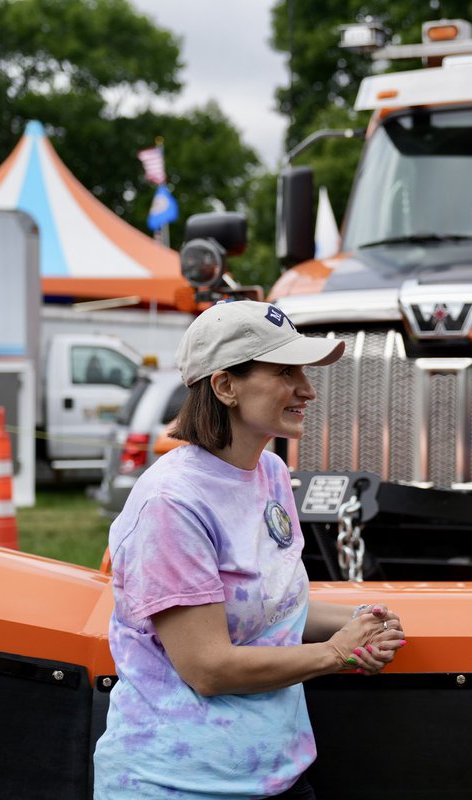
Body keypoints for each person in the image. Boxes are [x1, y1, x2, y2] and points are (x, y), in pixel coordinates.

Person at [94, 300, 407, 799]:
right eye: (286, 372)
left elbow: (274, 612)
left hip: (276, 776)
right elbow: (209, 668)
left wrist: (366, 619)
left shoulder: (272, 474)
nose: (307, 389)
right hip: (180, 785)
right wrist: (335, 653)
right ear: (224, 387)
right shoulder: (172, 502)